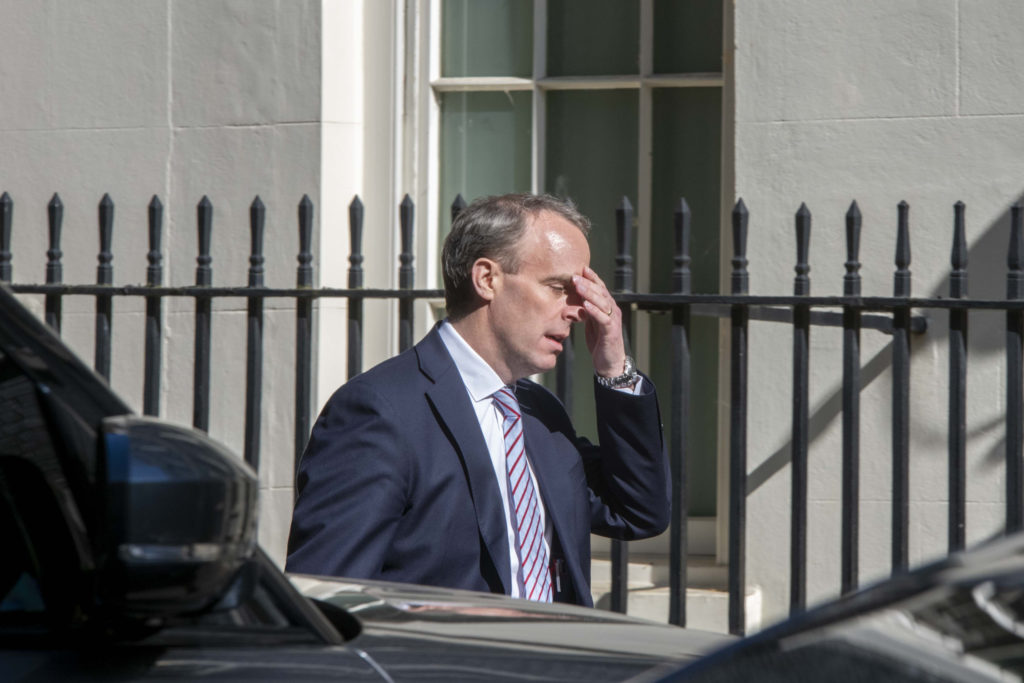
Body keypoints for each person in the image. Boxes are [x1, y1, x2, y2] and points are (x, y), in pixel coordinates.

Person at [286, 193, 669, 606]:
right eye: (559, 287)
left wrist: (615, 369)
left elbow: (636, 511)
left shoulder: (539, 411)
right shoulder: (380, 411)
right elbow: (328, 597)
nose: (578, 310)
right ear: (487, 279)